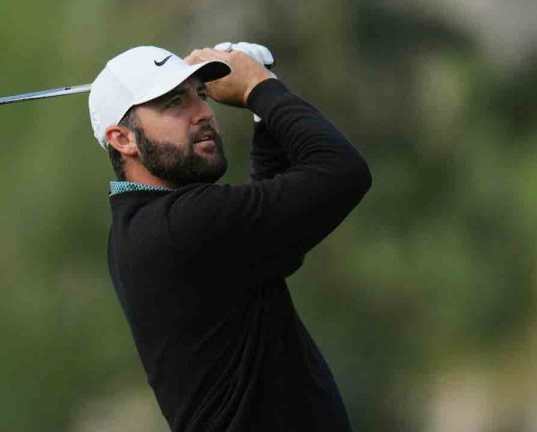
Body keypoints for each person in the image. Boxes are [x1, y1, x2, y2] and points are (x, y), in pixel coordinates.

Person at [88, 44, 372, 431]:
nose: (203, 113)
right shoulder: (182, 225)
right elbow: (342, 171)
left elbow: (278, 243)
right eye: (174, 102)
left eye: (200, 96)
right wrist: (259, 86)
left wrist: (261, 112)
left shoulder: (144, 226)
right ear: (123, 139)